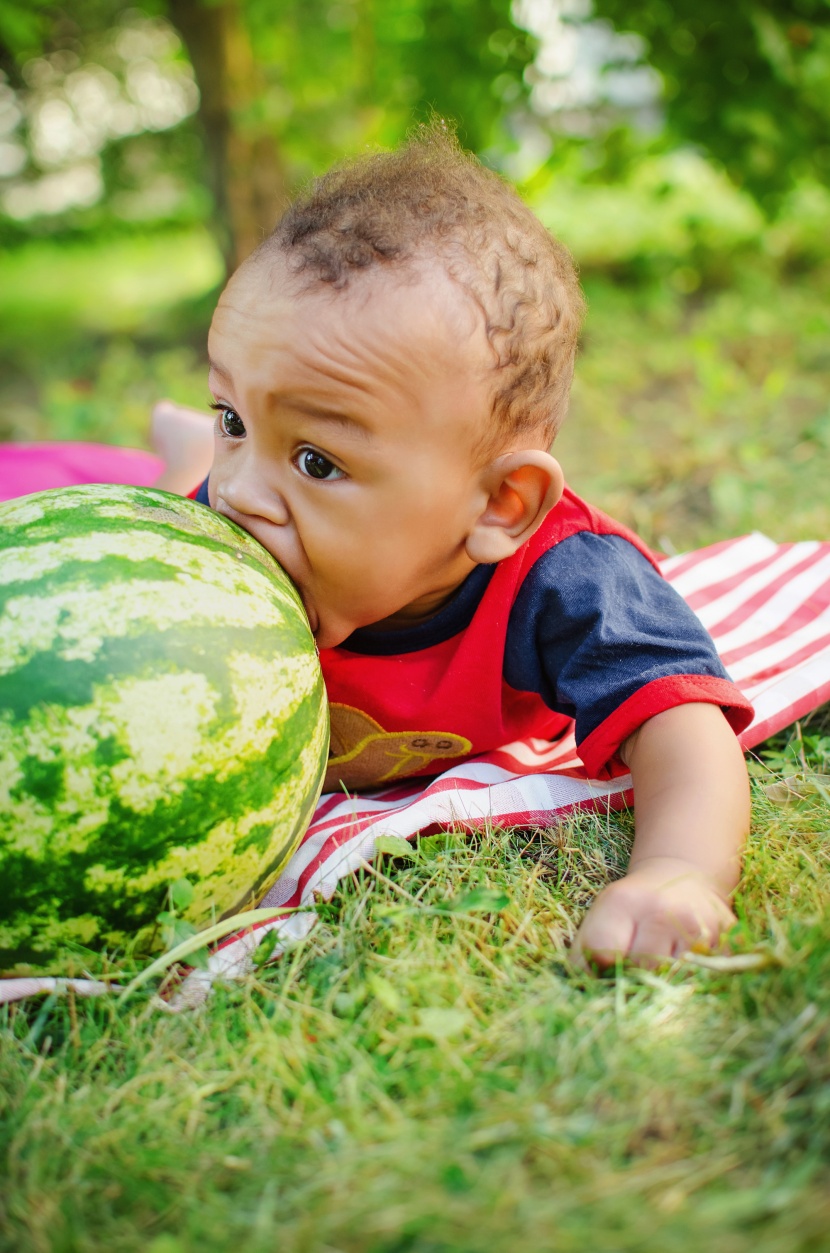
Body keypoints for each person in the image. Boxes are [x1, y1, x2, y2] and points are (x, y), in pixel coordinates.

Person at [155, 127, 753, 968]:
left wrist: (678, 870)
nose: (242, 493)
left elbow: (684, 726)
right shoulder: (222, 539)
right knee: (183, 490)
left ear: (497, 506)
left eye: (317, 460)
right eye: (233, 420)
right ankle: (184, 443)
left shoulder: (563, 578)